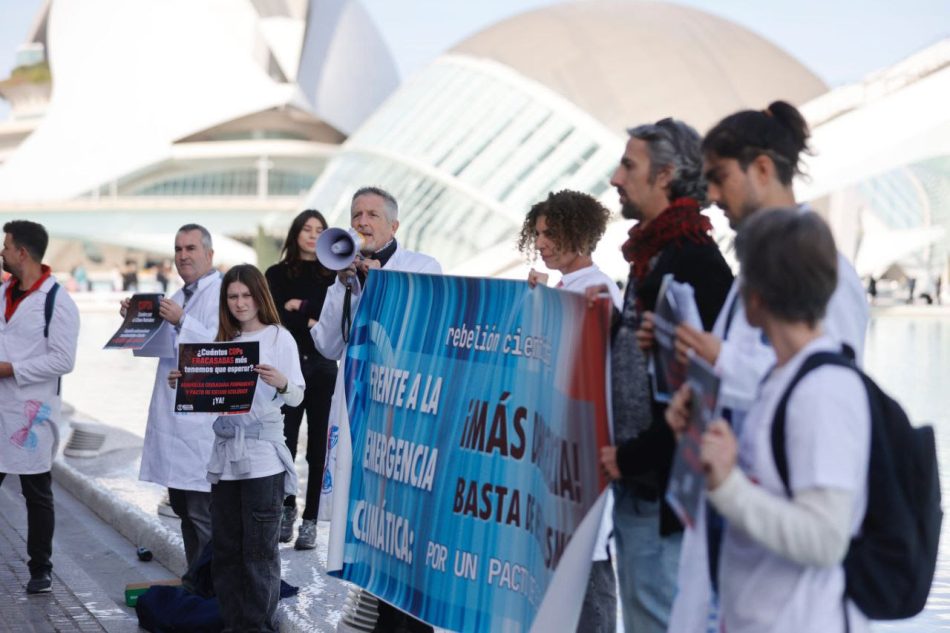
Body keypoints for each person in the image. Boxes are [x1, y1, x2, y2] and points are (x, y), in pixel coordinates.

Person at [666, 102, 870, 633]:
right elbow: (769, 383)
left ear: (761, 168)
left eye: (718, 177)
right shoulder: (760, 265)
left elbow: (818, 382)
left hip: (795, 600)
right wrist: (703, 396)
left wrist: (721, 360)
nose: (710, 196)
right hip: (744, 578)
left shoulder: (820, 272)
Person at [698, 209, 871, 633]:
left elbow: (825, 539)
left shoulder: (822, 391)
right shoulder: (784, 376)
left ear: (755, 297)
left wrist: (728, 487)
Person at [595, 119, 733, 633]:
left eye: (629, 165)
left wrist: (632, 456)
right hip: (641, 483)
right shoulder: (656, 255)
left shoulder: (694, 260)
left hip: (663, 492)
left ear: (667, 175)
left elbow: (705, 391)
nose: (615, 177)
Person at [313, 186, 441, 633]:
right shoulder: (341, 274)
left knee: (405, 528)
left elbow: (422, 328)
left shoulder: (423, 268)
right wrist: (341, 286)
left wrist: (375, 281)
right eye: (355, 214)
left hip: (404, 419)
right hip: (359, 416)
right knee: (369, 528)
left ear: (394, 225)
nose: (362, 221)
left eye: (371, 214)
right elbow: (327, 345)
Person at [169, 264, 303, 632]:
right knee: (226, 550)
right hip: (226, 456)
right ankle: (233, 625)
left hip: (263, 458)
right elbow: (207, 399)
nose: (240, 303)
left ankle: (256, 626)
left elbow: (297, 397)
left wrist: (282, 382)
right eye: (233, 296)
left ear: (260, 297)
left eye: (247, 295)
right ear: (225, 301)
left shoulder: (280, 338)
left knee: (259, 552)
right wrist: (185, 383)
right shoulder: (220, 343)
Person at [519, 189, 620, 633]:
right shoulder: (568, 289)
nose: (540, 244)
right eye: (537, 234)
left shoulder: (596, 291)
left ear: (579, 233)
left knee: (589, 566)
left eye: (550, 234)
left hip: (583, 455)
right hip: (560, 451)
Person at [123, 224, 221, 584]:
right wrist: (136, 322)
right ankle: (195, 580)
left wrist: (184, 322)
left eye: (191, 248)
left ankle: (210, 587)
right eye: (178, 249)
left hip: (201, 424)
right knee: (183, 508)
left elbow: (225, 347)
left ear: (209, 254)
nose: (183, 256)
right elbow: (158, 350)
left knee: (201, 512)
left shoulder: (222, 292)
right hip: (173, 418)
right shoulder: (178, 295)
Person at [0, 220, 80, 594]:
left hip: (31, 412)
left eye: (6, 245)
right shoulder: (3, 293)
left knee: (36, 491)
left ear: (22, 253)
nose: (2, 251)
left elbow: (64, 360)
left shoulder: (57, 301)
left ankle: (40, 568)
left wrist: (12, 369)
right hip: (1, 409)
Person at [265, 210, 337, 549]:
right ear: (295, 233)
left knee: (319, 448)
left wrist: (303, 309)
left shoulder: (334, 273)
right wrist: (308, 319)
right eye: (307, 229)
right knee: (286, 443)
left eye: (319, 230)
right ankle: (286, 508)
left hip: (323, 367)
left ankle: (311, 519)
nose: (312, 235)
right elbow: (275, 318)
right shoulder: (276, 273)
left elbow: (331, 316)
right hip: (288, 368)